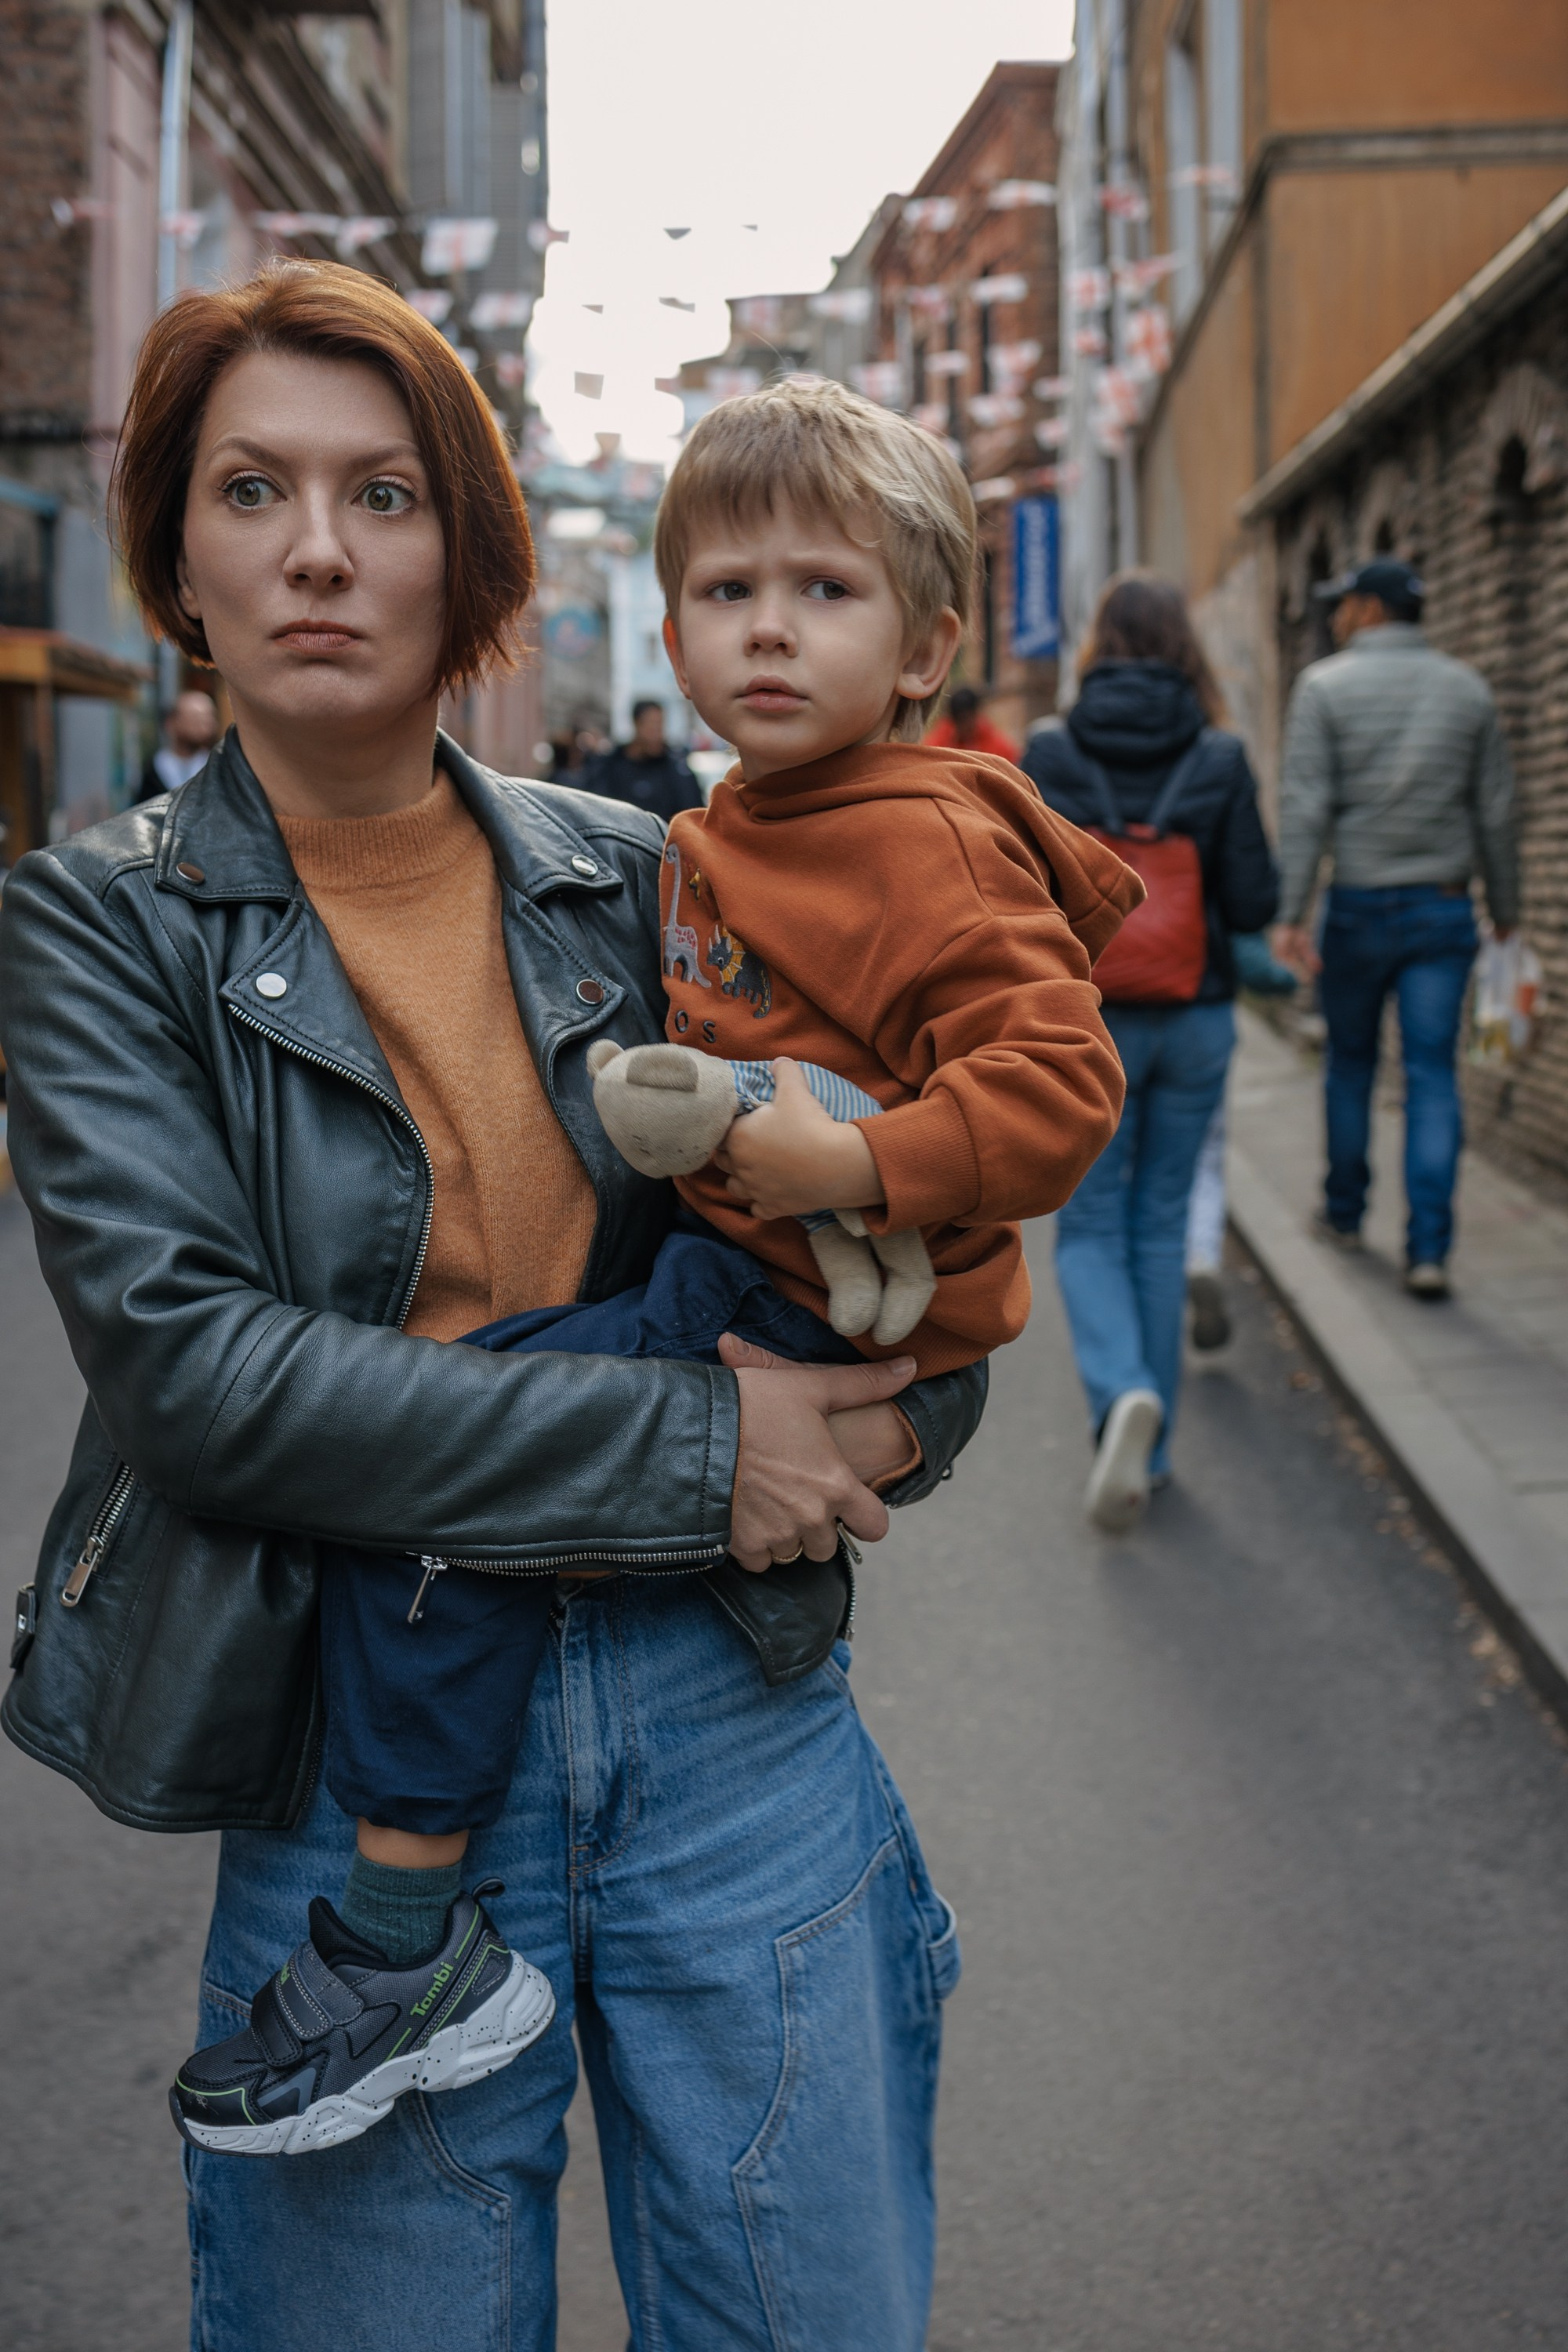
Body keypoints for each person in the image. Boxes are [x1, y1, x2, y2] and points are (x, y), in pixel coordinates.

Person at [0, 261, 989, 2350]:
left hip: (730, 1725)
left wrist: (897, 1424)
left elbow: (905, 1213)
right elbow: (207, 1387)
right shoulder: (98, 931)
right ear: (179, 552)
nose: (321, 552)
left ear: (474, 547)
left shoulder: (649, 874)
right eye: (253, 490)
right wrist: (719, 1449)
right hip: (353, 1778)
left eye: (384, 494)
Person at [165, 368, 1137, 2161]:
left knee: (443, 1466)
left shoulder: (913, 834)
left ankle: (402, 1938)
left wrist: (843, 1158)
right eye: (724, 591)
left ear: (925, 646)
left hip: (797, 1295)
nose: (766, 630)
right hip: (762, 1285)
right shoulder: (704, 831)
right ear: (667, 618)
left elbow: (1062, 1083)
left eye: (823, 593)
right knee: (464, 1448)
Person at [1022, 572, 1279, 1532]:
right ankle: (1156, 1446)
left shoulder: (1050, 751)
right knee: (1162, 1223)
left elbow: (1022, 896)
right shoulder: (1217, 755)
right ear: (1183, 649)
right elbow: (1253, 905)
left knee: (1086, 1224)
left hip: (1086, 1017)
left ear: (1098, 645)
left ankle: (1117, 1397)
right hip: (1196, 1016)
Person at [1274, 558, 1519, 1300]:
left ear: (1373, 609)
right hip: (1443, 912)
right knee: (1432, 1075)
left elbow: (1307, 808)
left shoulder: (1325, 687)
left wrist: (1289, 913)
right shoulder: (1468, 690)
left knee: (1350, 1065)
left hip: (1356, 906)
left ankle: (1345, 1215)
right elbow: (1496, 815)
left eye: (1346, 603)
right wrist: (1506, 914)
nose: (1340, 616)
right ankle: (1430, 1250)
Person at [1182, 933, 1298, 1352]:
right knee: (1203, 1160)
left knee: (1115, 1193)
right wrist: (1279, 978)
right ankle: (1200, 1256)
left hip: (1114, 1014)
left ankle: (1128, 1360)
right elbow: (1246, 908)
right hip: (1201, 1012)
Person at [581, 696, 703, 821]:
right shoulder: (610, 766)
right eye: (651, 726)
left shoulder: (677, 769)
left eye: (660, 726)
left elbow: (693, 812)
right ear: (637, 724)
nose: (657, 734)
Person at [134, 686, 221, 800]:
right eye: (196, 719)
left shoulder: (219, 768)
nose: (205, 726)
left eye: (208, 718)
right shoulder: (153, 769)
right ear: (171, 723)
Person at [926, 681, 1020, 763]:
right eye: (961, 720)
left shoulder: (994, 743)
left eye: (968, 719)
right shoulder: (940, 743)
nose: (966, 726)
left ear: (976, 714)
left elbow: (1011, 761)